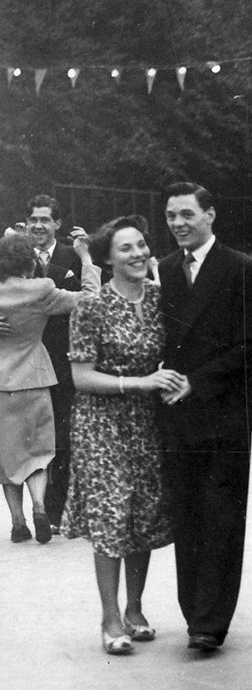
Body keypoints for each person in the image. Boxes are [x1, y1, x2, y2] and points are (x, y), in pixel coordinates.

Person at [157, 182, 252, 653]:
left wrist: (195, 382)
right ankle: (193, 611)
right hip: (174, 417)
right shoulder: (161, 270)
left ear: (210, 215)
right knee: (187, 517)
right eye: (171, 216)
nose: (179, 224)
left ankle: (210, 621)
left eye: (187, 214)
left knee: (222, 518)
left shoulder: (242, 269)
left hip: (224, 413)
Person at [64, 216, 184, 655]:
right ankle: (110, 616)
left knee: (144, 514)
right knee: (112, 512)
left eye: (141, 246)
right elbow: (80, 376)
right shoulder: (90, 306)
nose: (137, 255)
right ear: (107, 258)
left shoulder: (158, 298)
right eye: (125, 249)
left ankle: (135, 608)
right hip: (101, 423)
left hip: (148, 422)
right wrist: (140, 383)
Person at [0, 232, 97, 545]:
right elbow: (90, 299)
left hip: (1, 383)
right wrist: (86, 260)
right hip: (36, 378)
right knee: (39, 451)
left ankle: (17, 520)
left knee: (6, 453)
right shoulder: (41, 289)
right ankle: (40, 506)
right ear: (30, 264)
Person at [26, 195, 86, 533]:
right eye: (33, 219)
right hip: (27, 361)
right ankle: (34, 510)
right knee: (34, 438)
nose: (38, 225)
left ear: (57, 224)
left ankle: (57, 509)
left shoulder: (72, 257)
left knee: (63, 435)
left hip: (64, 360)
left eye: (45, 219)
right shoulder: (12, 258)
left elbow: (93, 297)